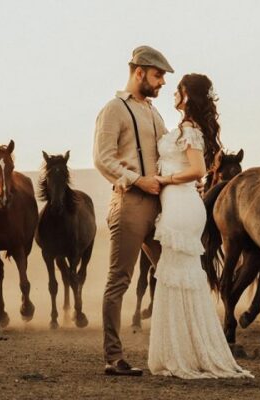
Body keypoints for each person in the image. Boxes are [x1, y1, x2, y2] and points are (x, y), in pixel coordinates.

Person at [147, 73, 253, 379]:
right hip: (178, 204)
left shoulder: (191, 130)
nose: (173, 94)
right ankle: (183, 350)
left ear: (187, 96)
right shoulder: (186, 128)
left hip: (181, 206)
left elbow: (196, 170)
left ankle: (185, 353)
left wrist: (164, 179)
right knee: (179, 278)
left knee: (178, 277)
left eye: (178, 90)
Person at [93, 45, 173, 376]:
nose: (162, 82)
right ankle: (114, 357)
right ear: (139, 72)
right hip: (129, 203)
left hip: (159, 204)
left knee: (171, 273)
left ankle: (173, 349)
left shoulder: (154, 113)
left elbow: (166, 156)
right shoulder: (114, 109)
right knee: (120, 280)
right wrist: (138, 180)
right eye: (158, 75)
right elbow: (103, 158)